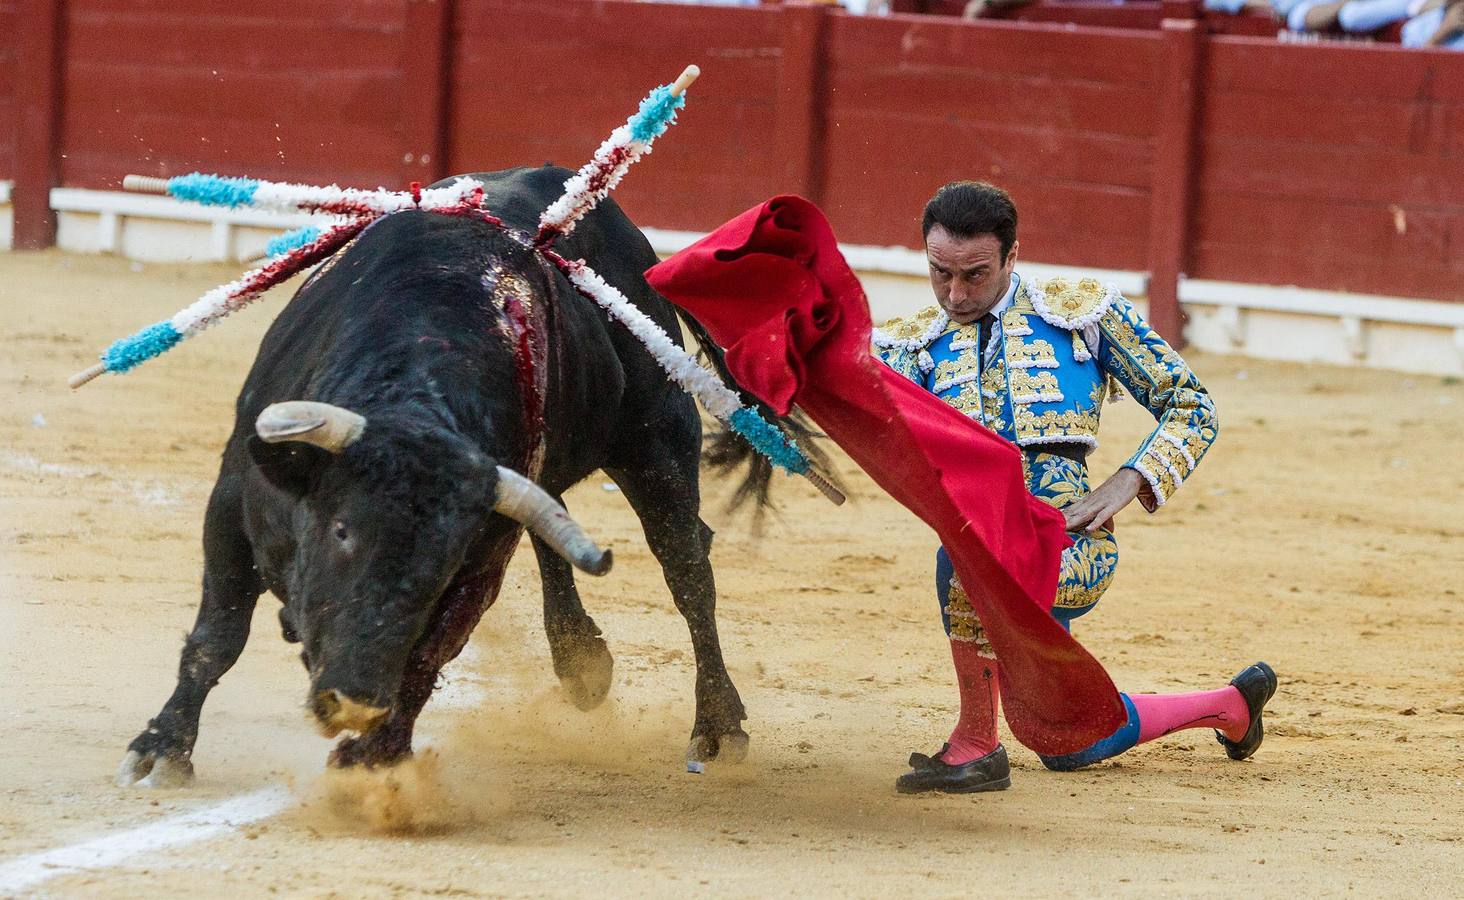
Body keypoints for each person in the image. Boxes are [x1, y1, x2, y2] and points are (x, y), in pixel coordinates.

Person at [875, 181, 1277, 794]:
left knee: (964, 560)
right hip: (986, 533)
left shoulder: (1082, 314)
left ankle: (976, 744)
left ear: (1013, 256)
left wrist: (1131, 477)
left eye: (975, 275)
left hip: (1069, 543)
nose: (955, 295)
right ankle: (1230, 707)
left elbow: (1191, 405)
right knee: (1064, 739)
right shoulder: (908, 346)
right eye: (939, 274)